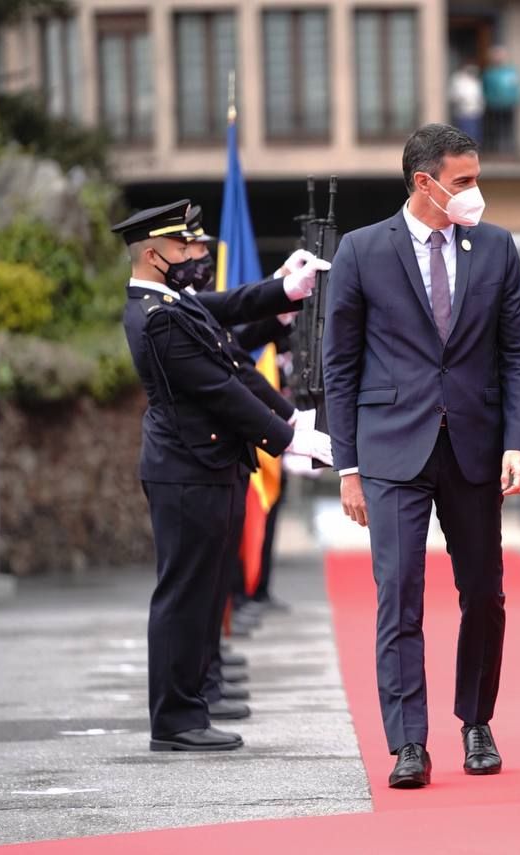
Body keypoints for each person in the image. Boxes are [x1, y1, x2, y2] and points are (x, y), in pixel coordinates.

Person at [323, 123, 520, 789]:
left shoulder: (496, 247)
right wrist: (348, 467)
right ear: (426, 182)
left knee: (485, 593)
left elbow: (519, 352)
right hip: (391, 450)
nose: (475, 193)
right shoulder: (361, 251)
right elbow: (340, 363)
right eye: (464, 181)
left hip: (474, 447)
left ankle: (476, 720)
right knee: (399, 596)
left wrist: (518, 441)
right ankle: (407, 741)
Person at [114, 199, 333, 752]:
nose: (195, 254)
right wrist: (287, 438)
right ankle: (176, 719)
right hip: (187, 469)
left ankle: (190, 703)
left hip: (200, 465)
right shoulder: (158, 316)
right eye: (183, 247)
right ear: (153, 253)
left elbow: (228, 317)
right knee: (184, 595)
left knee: (202, 591)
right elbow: (218, 388)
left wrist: (284, 289)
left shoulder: (173, 305)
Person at [482, 46, 520, 154]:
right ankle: (494, 149)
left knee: (508, 128)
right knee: (495, 128)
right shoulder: (489, 73)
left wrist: (516, 99)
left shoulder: (511, 72)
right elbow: (485, 89)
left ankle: (510, 149)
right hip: (494, 106)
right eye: (496, 56)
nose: (498, 58)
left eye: (500, 55)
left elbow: (516, 87)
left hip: (509, 105)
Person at [449, 63, 485, 144]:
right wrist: (463, 100)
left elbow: (479, 95)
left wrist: (480, 106)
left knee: (475, 134)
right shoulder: (458, 80)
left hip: (475, 112)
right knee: (464, 135)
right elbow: (454, 96)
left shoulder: (475, 80)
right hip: (463, 112)